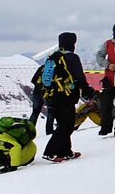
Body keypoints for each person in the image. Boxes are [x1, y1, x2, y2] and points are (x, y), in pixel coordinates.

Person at [41, 32, 95, 163]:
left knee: (63, 123)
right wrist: (88, 93)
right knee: (68, 124)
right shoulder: (72, 58)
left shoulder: (53, 57)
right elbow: (80, 78)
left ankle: (65, 152)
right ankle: (49, 152)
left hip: (53, 95)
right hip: (66, 96)